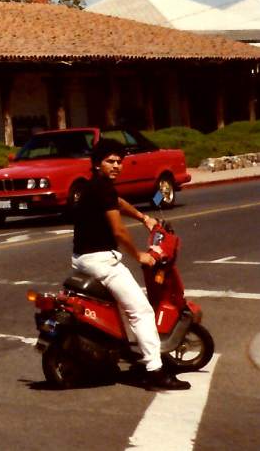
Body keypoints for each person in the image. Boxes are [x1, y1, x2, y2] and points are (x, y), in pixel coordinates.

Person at [71, 137, 188, 390]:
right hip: (102, 262)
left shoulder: (98, 187)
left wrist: (143, 217)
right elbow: (119, 232)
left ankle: (129, 351)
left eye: (119, 161)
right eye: (110, 161)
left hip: (83, 259)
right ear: (96, 163)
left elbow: (117, 201)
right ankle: (155, 372)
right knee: (142, 311)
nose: (116, 166)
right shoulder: (101, 189)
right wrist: (140, 256)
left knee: (122, 307)